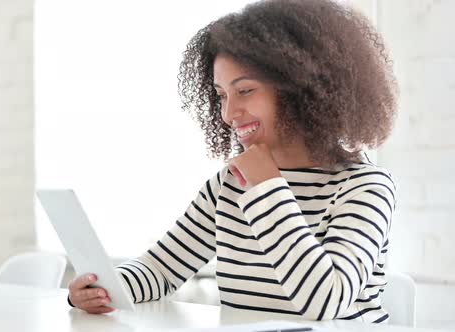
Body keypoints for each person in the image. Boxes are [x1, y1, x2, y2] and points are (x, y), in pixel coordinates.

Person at [68, 0, 398, 323]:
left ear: (301, 90)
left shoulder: (364, 188)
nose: (228, 113)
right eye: (222, 95)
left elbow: (325, 301)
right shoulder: (230, 184)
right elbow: (161, 269)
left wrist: (269, 187)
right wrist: (102, 288)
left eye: (245, 91)